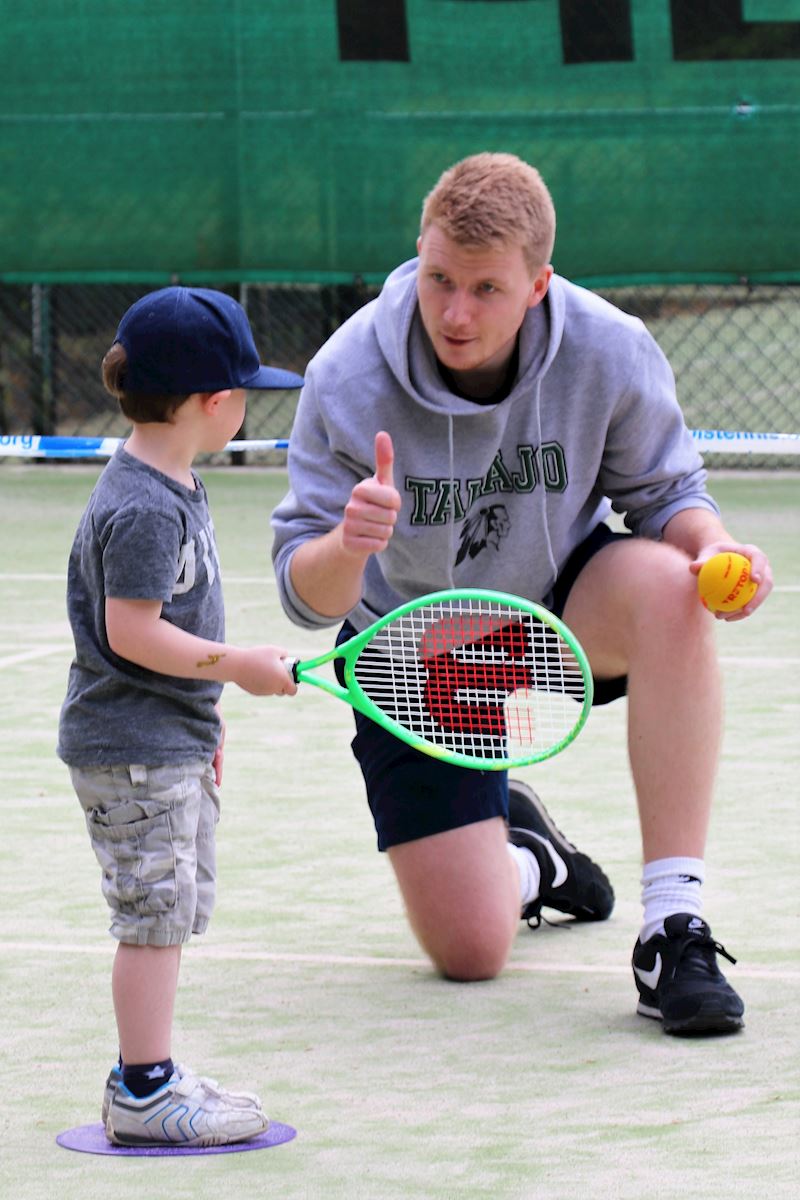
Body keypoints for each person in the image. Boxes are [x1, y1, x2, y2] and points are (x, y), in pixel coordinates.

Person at [271, 152, 773, 1037]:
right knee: (471, 953)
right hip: (411, 648)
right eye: (438, 279)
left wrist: (716, 549)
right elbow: (305, 600)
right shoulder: (346, 377)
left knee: (671, 588)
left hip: (555, 609)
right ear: (417, 255)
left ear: (539, 285)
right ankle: (533, 856)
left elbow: (668, 497)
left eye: (486, 289)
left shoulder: (608, 348)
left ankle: (674, 929)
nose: (455, 311)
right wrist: (348, 548)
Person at [58, 286, 302, 1145]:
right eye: (244, 391)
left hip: (166, 741)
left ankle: (149, 1069)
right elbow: (133, 634)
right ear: (213, 402)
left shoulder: (172, 482)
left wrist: (209, 725)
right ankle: (143, 1090)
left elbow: (171, 626)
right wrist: (239, 670)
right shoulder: (145, 506)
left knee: (168, 911)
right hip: (132, 749)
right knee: (152, 919)